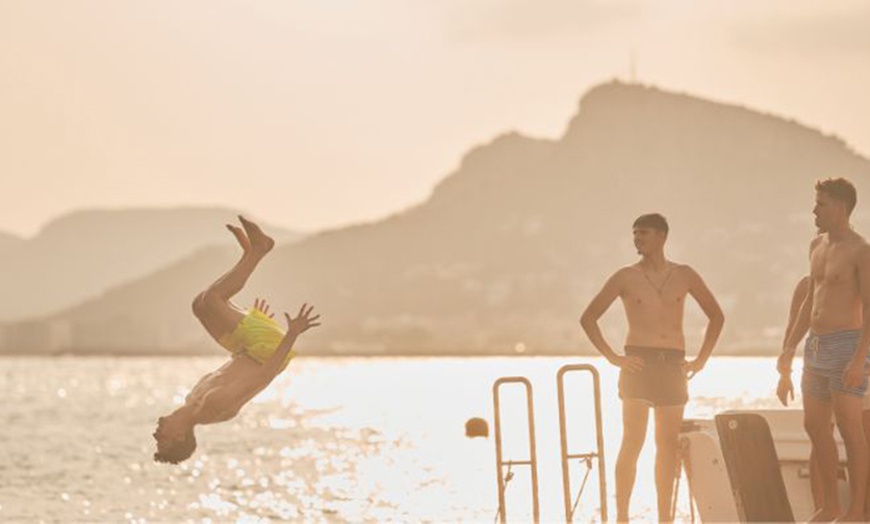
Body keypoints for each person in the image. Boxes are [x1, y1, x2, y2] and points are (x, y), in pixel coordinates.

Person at [580, 213, 724, 523]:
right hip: (638, 363)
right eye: (634, 234)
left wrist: (701, 360)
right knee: (632, 440)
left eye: (642, 233)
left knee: (668, 445)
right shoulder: (625, 276)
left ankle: (664, 518)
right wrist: (613, 357)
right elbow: (588, 318)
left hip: (673, 364)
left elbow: (717, 316)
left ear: (661, 236)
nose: (636, 239)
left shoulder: (685, 274)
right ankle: (621, 517)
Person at [152, 216, 321, 464]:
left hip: (246, 349)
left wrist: (252, 323)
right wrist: (291, 334)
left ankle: (250, 253)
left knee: (200, 305)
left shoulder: (193, 399)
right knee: (212, 301)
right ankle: (258, 250)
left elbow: (236, 367)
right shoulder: (213, 405)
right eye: (162, 440)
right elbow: (264, 376)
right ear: (180, 437)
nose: (155, 434)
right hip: (268, 351)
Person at [778, 177, 870, 522]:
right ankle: (829, 506)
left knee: (851, 430)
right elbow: (810, 301)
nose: (814, 210)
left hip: (846, 346)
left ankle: (857, 512)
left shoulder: (861, 251)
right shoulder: (816, 245)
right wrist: (789, 347)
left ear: (841, 207)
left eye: (821, 204)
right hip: (814, 347)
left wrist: (860, 359)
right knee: (815, 427)